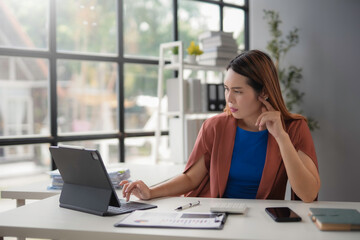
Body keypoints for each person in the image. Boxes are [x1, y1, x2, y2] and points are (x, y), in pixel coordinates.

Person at [121, 50, 320, 203]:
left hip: (262, 223)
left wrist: (281, 138)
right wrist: (151, 192)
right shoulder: (214, 126)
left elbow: (309, 194)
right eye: (226, 89)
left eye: (238, 91)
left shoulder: (293, 128)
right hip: (214, 218)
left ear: (264, 92)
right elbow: (191, 179)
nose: (229, 99)